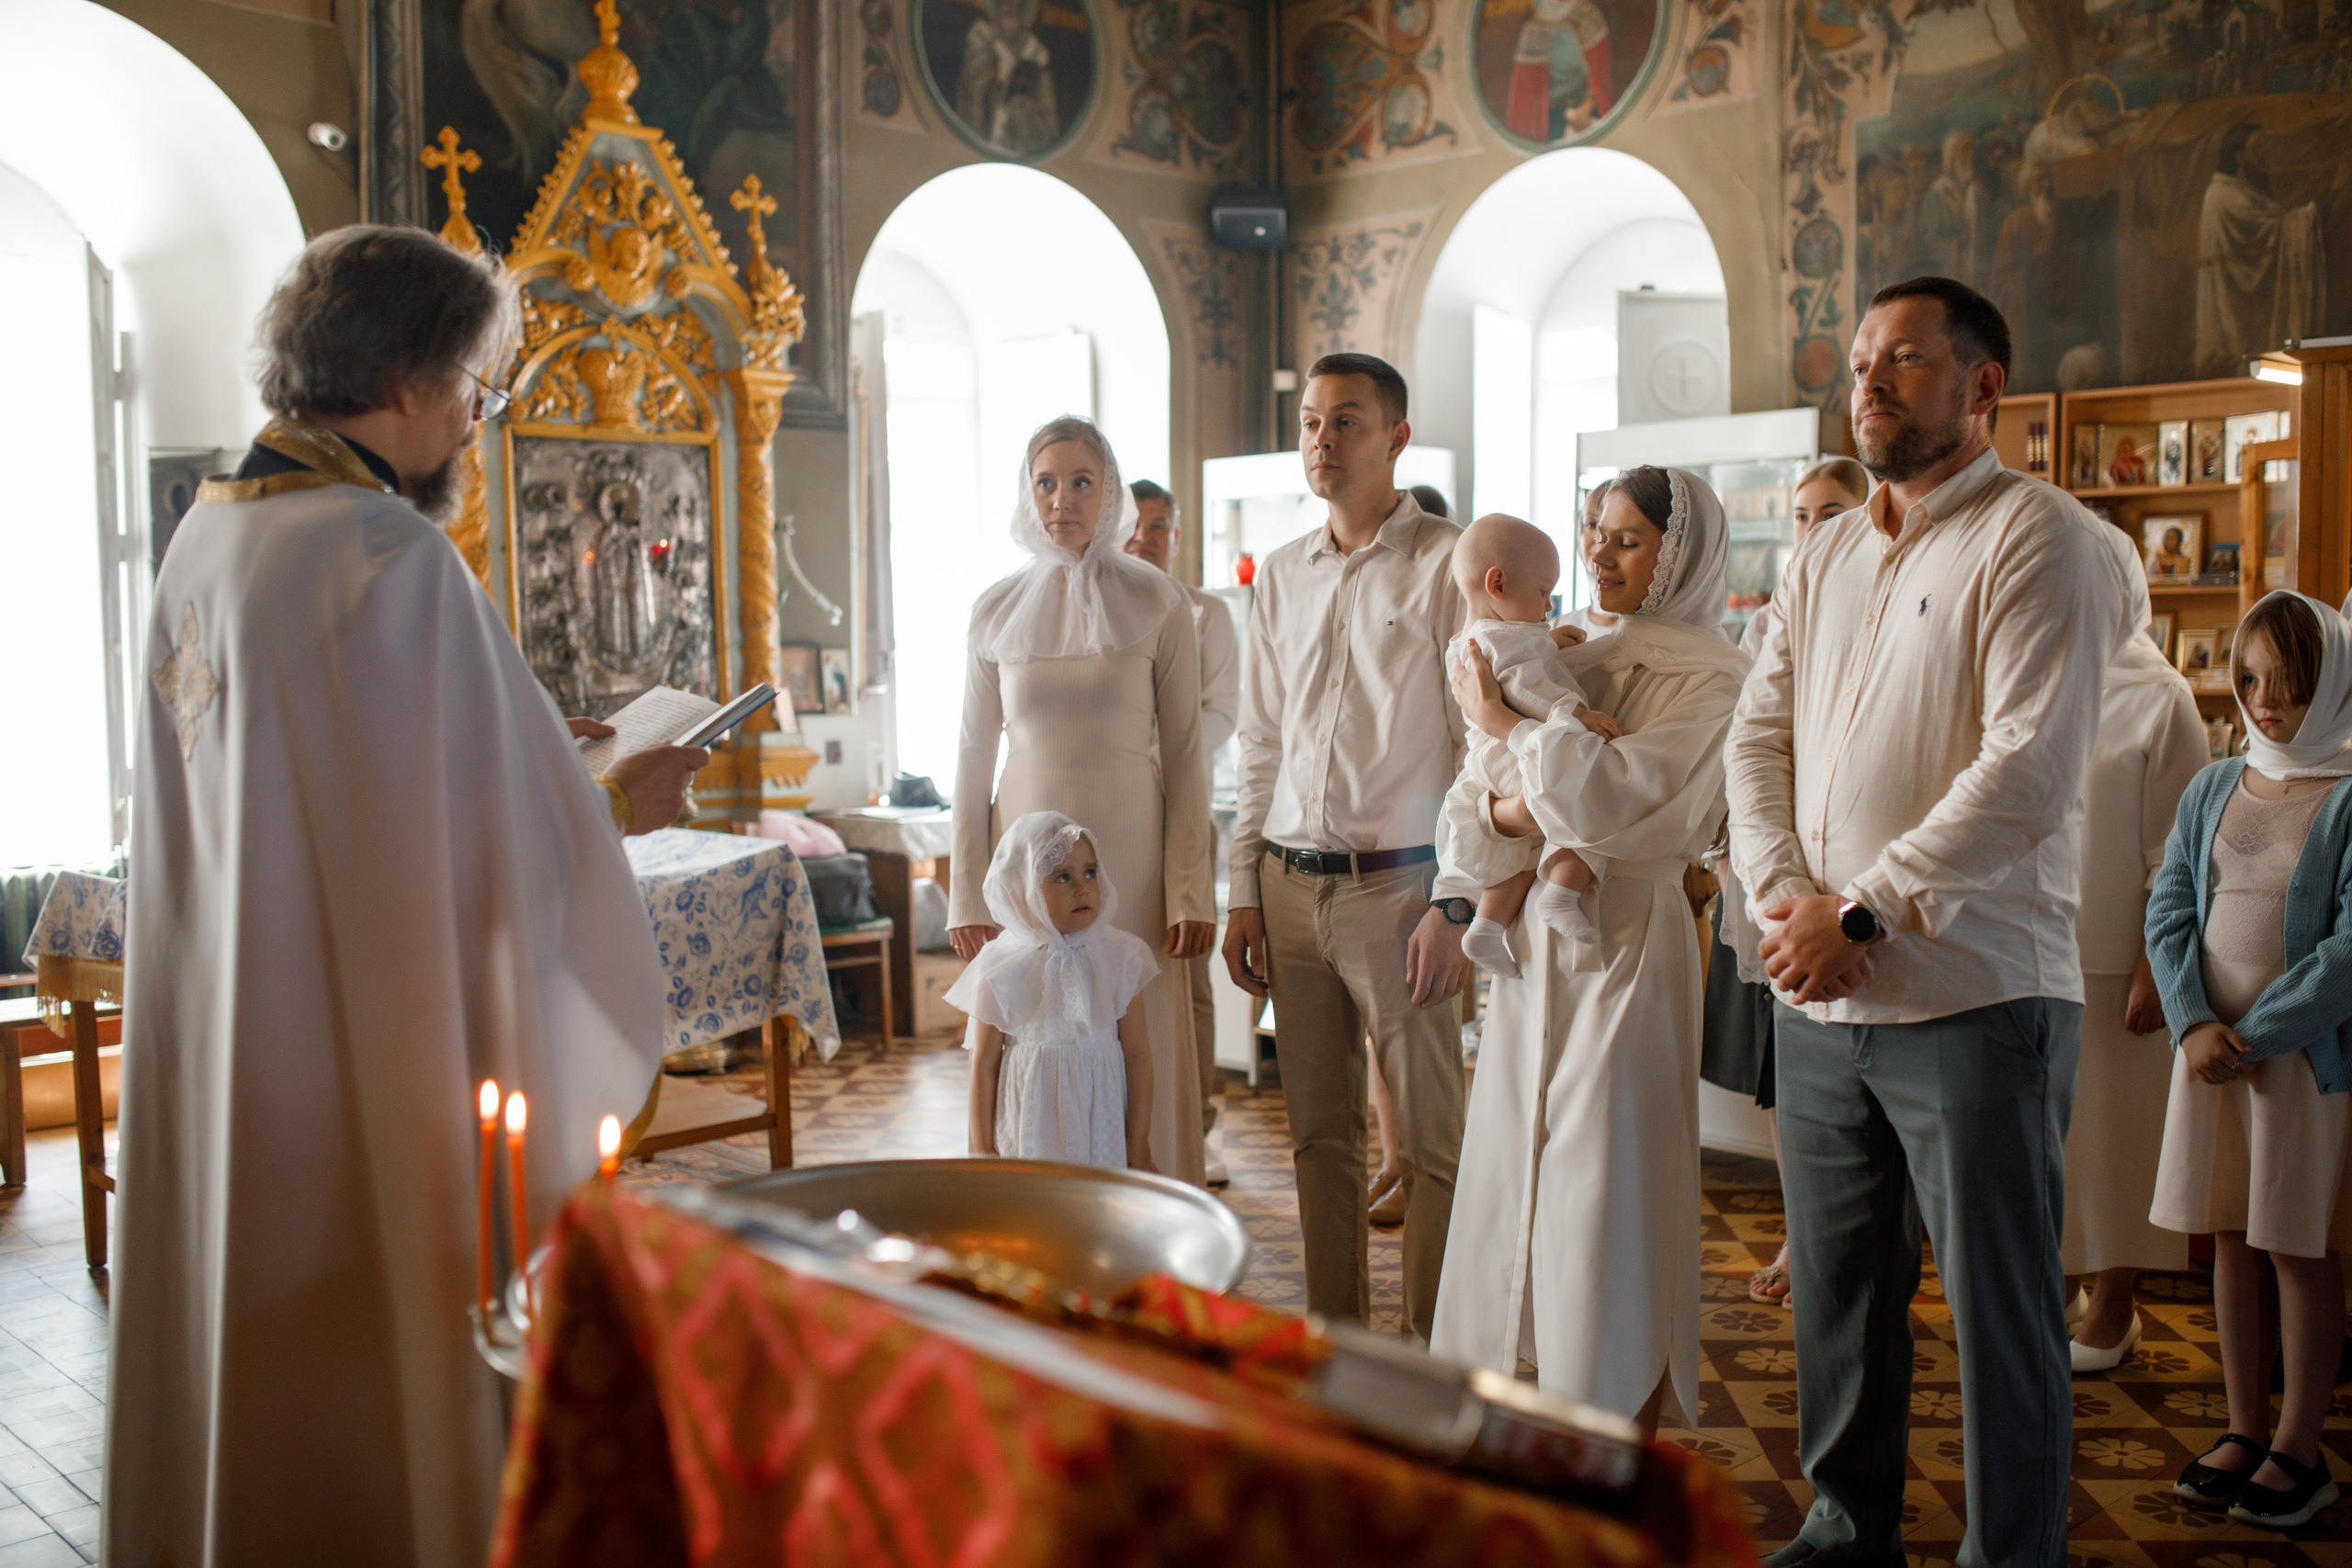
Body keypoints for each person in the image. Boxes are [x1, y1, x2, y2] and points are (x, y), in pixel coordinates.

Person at [107, 226, 709, 1567]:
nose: (474, 426)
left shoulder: (206, 542)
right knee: (382, 1350)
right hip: (352, 1079)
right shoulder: (387, 557)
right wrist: (615, 796)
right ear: (408, 375)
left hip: (231, 1064)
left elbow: (370, 794)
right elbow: (504, 850)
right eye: (475, 390)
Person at [1724, 275, 2120, 1568]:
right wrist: (1788, 895)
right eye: (1859, 363)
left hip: (1975, 993)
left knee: (2000, 1310)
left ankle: (2012, 1551)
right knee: (1840, 1301)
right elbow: (1759, 731)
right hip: (1825, 993)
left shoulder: (2037, 535)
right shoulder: (1828, 547)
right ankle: (1848, 1525)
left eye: (1903, 361)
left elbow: (2029, 769)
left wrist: (1864, 909)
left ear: (1982, 385)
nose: (1871, 382)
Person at [1430, 465, 1750, 1438]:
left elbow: (1615, 805)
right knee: (1513, 1182)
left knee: (1604, 1197)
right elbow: (1465, 824)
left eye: (1627, 539)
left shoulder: (1716, 676)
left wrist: (1500, 734)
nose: (1600, 556)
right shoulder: (1561, 650)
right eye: (1593, 532)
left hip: (1627, 950)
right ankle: (1520, 1431)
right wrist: (1505, 796)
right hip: (1532, 952)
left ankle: (1618, 1439)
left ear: (1678, 554)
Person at [1223, 351, 1470, 1342]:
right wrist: (1244, 887)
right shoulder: (1279, 574)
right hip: (1288, 882)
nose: (1322, 441)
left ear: (1396, 438)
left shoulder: (1448, 560)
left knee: (1432, 1145)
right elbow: (1261, 741)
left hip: (1399, 890)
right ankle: (1337, 1352)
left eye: (1347, 423)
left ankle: (1431, 1358)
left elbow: (1480, 748)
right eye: (1312, 423)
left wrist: (1456, 900)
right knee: (1320, 1138)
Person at [950, 416, 1214, 1185]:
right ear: (1026, 494)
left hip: (1129, 850)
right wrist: (968, 892)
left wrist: (1189, 885)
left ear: (1110, 494)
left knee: (1136, 1028)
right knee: (1024, 1031)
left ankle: (1156, 1213)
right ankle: (1032, 1209)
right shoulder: (993, 609)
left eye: (1080, 482)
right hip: (1024, 861)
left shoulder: (1161, 603)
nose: (1060, 500)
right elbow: (971, 756)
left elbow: (1189, 750)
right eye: (1045, 482)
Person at [2147, 592, 2352, 1527]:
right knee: (2229, 1234)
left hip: (2299, 1066)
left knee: (2296, 1243)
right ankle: (2240, 1424)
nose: (2264, 701)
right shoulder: (2210, 785)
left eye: (2290, 682)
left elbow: (2347, 950)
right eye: (2250, 679)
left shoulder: (2349, 792)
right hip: (2209, 1059)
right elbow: (2170, 908)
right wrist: (2193, 1022)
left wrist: (2258, 1033)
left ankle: (2299, 1449)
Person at [1700, 456, 1869, 1309]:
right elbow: (1744, 744)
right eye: (1801, 514)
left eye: (1831, 510)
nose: (1813, 528)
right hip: (1767, 878)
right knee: (1780, 1064)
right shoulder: (1765, 622)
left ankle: (1840, 1236)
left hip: (1851, 890)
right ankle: (1801, 1226)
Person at [2063, 525, 2208, 1371]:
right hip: (2040, 946)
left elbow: (2178, 855)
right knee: (2058, 1140)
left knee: (2117, 1140)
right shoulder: (2045, 673)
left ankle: (2116, 1307)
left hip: (2124, 955)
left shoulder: (2163, 696)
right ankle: (2066, 1286)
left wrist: (2159, 964)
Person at [1443, 513, 1623, 978]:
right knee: (1586, 798)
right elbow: (1526, 691)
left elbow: (1515, 668)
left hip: (1490, 759)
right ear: (1497, 583)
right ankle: (1563, 894)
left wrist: (1547, 643)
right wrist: (1579, 715)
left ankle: (1486, 926)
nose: (1548, 604)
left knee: (1524, 850)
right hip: (1512, 754)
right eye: (1543, 592)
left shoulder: (1473, 637)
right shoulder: (1503, 641)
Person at [1124, 477, 1241, 1184]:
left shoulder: (1206, 613)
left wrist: (1154, 755)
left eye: (1158, 526)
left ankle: (1196, 1128)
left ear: (1176, 533)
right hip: (1107, 816)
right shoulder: (1094, 612)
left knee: (1184, 973)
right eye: (1133, 526)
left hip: (1182, 806)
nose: (1145, 538)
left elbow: (1222, 712)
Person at [956, 811, 1160, 1172]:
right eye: (1062, 877)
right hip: (1030, 1127)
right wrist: (984, 1150)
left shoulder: (1121, 958)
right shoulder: (1000, 967)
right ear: (1022, 894)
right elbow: (984, 1065)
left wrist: (1138, 1140)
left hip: (1101, 1127)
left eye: (1090, 872)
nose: (1082, 888)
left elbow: (1139, 1055)